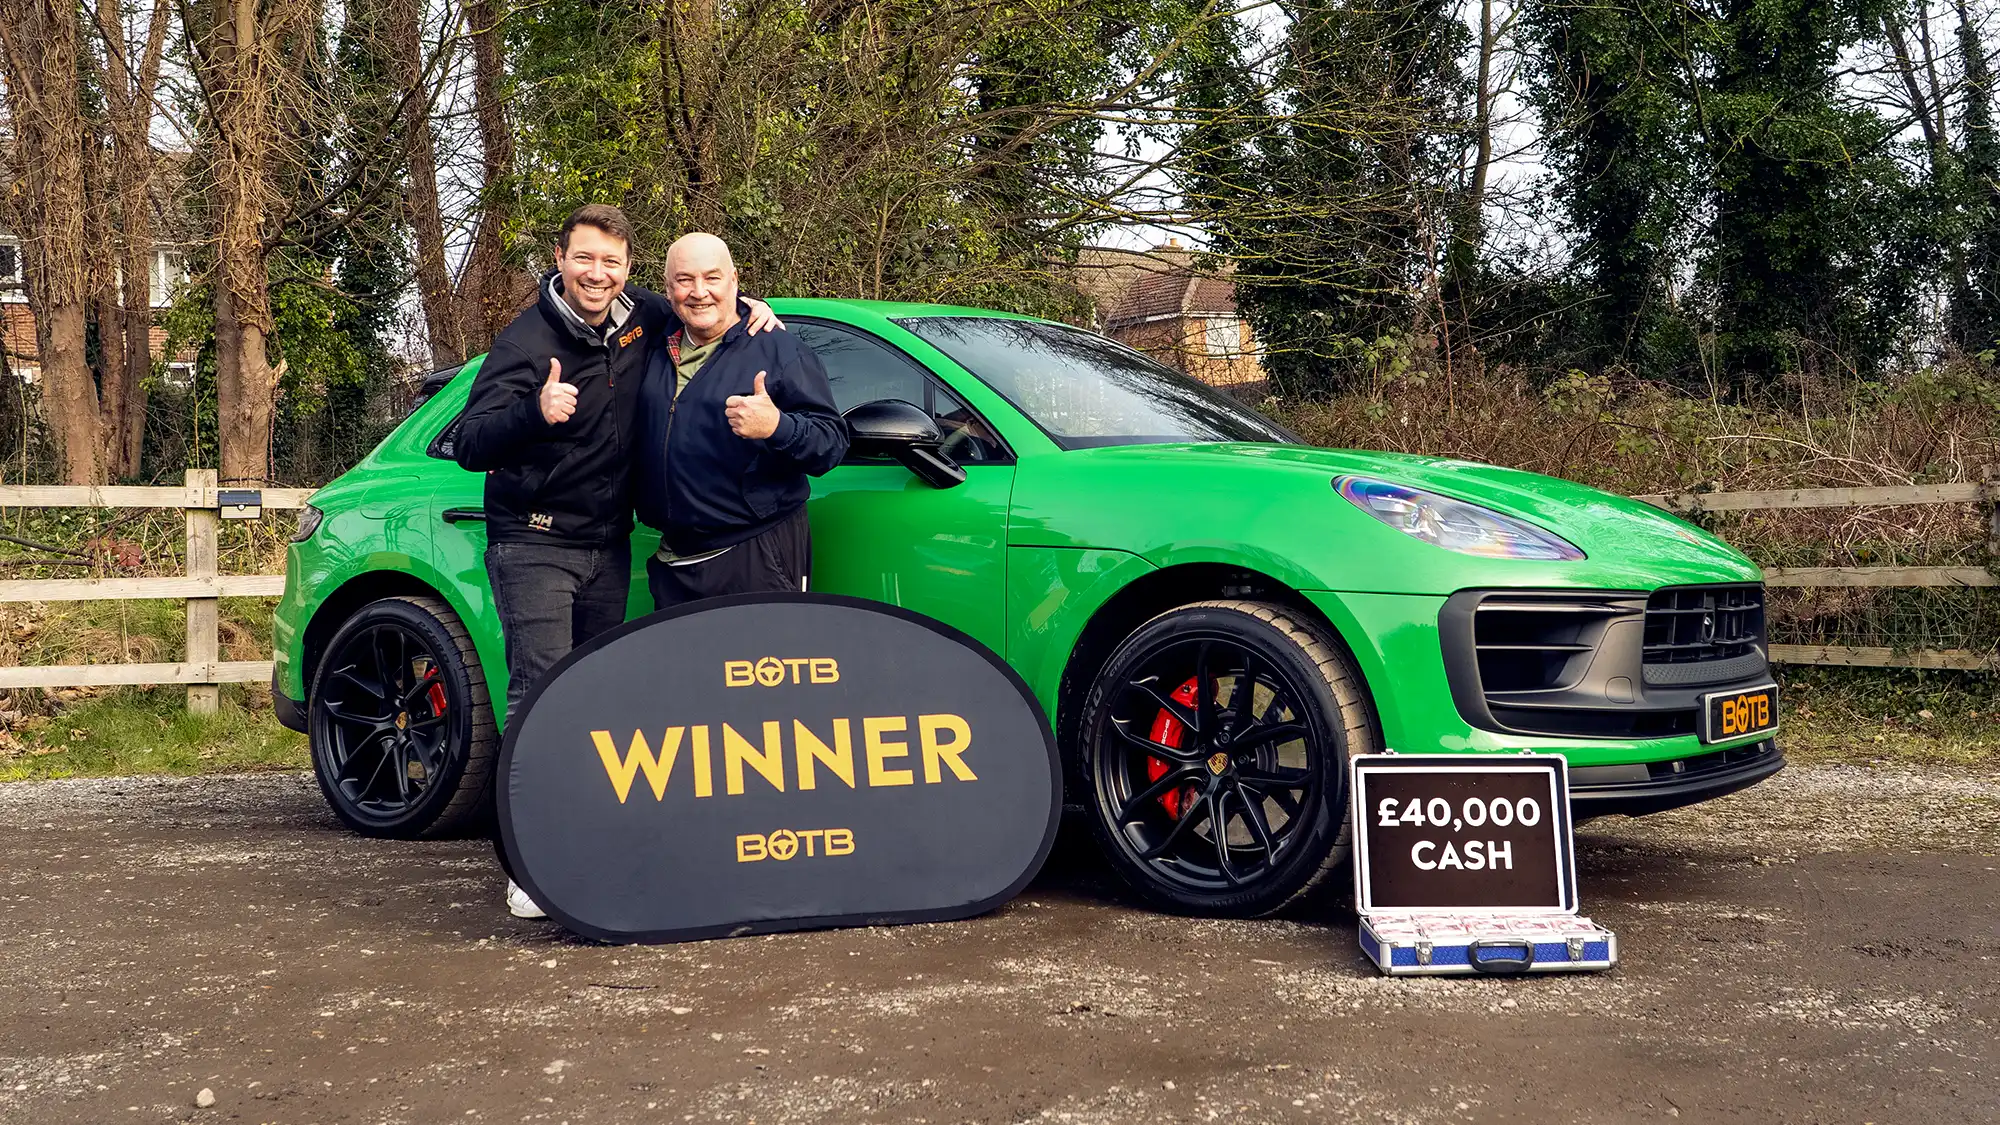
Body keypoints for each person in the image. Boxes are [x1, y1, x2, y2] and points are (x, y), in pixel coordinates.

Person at [453, 206, 778, 919]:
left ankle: (589, 848)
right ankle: (529, 863)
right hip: (534, 541)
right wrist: (534, 411)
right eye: (585, 259)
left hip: (607, 544)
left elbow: (702, 303)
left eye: (611, 262)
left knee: (596, 698)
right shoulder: (526, 340)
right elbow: (468, 442)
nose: (597, 275)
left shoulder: (643, 318)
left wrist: (752, 308)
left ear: (629, 269)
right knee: (540, 694)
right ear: (560, 260)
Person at [633, 233, 848, 609]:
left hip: (756, 554)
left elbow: (831, 443)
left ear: (734, 280)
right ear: (667, 289)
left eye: (712, 278)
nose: (699, 291)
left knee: (768, 650)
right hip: (675, 561)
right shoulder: (653, 343)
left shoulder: (780, 350)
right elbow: (593, 283)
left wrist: (778, 427)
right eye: (684, 280)